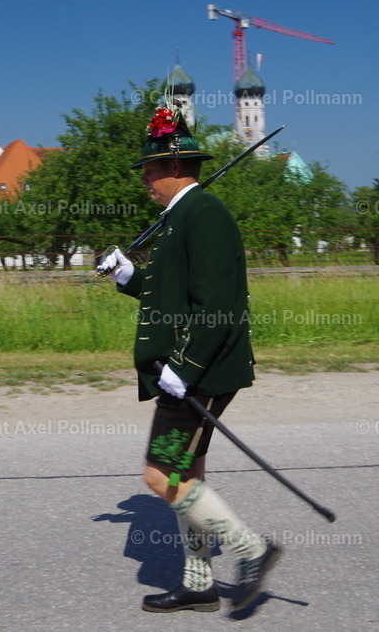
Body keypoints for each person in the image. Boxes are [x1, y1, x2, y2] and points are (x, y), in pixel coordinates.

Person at [98, 105, 280, 613]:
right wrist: (126, 275)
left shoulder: (206, 215)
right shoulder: (180, 217)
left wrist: (185, 367)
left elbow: (218, 307)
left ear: (175, 169)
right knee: (186, 476)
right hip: (190, 369)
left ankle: (251, 549)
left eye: (150, 170)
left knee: (159, 477)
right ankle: (199, 582)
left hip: (199, 372)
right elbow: (172, 297)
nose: (145, 180)